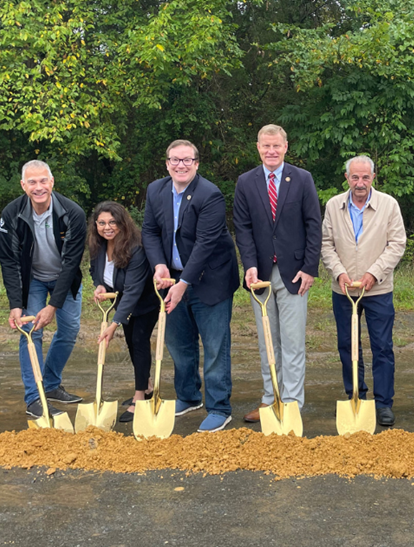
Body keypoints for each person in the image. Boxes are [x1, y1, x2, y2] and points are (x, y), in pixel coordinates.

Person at [142, 139, 240, 433]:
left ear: (197, 164)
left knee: (214, 346)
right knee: (178, 344)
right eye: (175, 160)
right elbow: (149, 230)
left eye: (187, 160)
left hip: (211, 280)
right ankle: (188, 396)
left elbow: (205, 244)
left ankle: (219, 407)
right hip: (170, 279)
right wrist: (159, 264)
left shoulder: (209, 194)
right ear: (167, 163)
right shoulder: (156, 190)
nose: (180, 165)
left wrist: (183, 284)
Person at [233, 125, 321, 423]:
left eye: (276, 146)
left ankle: (292, 402)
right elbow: (242, 228)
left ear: (286, 147)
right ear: (257, 147)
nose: (271, 151)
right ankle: (271, 400)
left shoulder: (302, 178)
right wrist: (249, 264)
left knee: (293, 341)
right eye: (265, 146)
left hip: (294, 273)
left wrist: (310, 268)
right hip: (260, 275)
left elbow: (314, 225)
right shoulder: (246, 182)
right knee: (267, 341)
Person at [321, 155, 407, 427]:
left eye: (365, 177)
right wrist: (339, 273)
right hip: (344, 290)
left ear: (373, 177)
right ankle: (355, 394)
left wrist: (373, 273)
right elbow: (325, 245)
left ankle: (383, 404)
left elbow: (396, 244)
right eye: (355, 177)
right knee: (348, 345)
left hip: (378, 290)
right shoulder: (334, 205)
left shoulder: (388, 205)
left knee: (382, 347)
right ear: (346, 178)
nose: (360, 183)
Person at [0, 160, 87, 419]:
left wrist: (53, 306)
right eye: (32, 182)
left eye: (43, 181)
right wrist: (16, 304)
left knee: (69, 331)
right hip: (32, 279)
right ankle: (34, 398)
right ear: (23, 185)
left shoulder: (73, 213)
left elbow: (72, 262)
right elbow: (9, 260)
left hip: (65, 278)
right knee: (30, 332)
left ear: (52, 182)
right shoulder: (11, 214)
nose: (38, 187)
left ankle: (50, 384)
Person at [87, 201, 160, 423]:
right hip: (124, 303)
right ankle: (146, 385)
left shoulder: (135, 249)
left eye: (112, 222)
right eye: (102, 223)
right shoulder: (98, 246)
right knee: (131, 343)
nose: (107, 227)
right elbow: (96, 271)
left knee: (139, 342)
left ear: (122, 223)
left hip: (145, 303)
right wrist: (100, 285)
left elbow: (133, 290)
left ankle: (140, 398)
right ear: (96, 225)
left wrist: (113, 324)